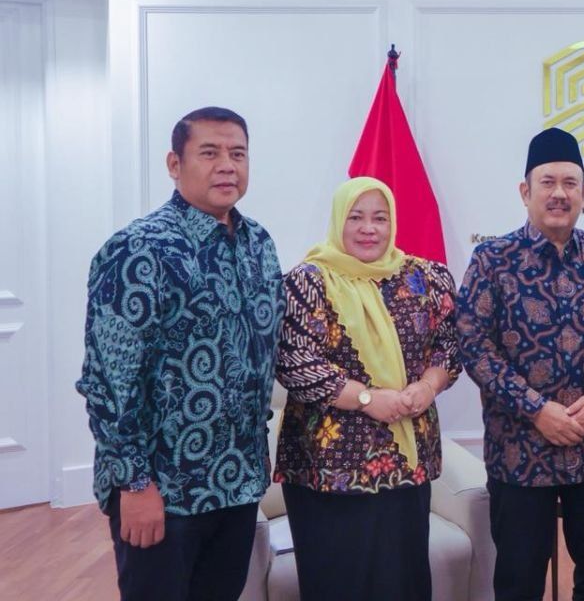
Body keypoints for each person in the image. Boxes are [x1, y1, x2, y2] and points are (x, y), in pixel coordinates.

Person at [77, 106, 283, 601]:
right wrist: (134, 484)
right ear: (175, 164)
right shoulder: (139, 249)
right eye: (209, 153)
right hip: (162, 490)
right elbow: (107, 382)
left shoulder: (258, 244)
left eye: (238, 154)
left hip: (237, 481)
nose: (227, 166)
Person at [457, 127, 584, 601]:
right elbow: (474, 345)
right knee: (518, 581)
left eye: (570, 183)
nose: (559, 193)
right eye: (547, 182)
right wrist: (536, 408)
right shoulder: (492, 261)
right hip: (520, 453)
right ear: (525, 191)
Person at [274, 176, 459, 600]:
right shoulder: (307, 281)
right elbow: (294, 362)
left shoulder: (426, 277)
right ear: (338, 220)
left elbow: (450, 347)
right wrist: (366, 399)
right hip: (327, 470)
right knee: (338, 583)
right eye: (355, 217)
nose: (368, 228)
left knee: (402, 581)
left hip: (406, 463)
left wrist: (428, 387)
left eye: (380, 218)